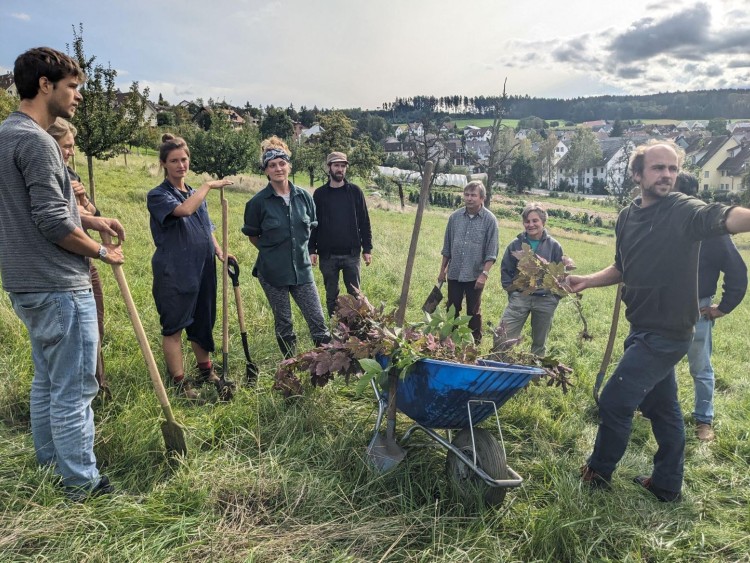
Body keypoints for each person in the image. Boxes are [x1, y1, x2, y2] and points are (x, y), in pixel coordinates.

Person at [566, 140, 750, 502]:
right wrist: (587, 279)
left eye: (672, 168)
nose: (667, 175)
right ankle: (667, 484)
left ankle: (598, 472)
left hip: (668, 333)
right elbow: (622, 266)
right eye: (658, 168)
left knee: (615, 401)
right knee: (663, 409)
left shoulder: (682, 209)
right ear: (637, 174)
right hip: (642, 326)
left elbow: (723, 216)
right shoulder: (626, 216)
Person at [0, 47, 125, 500]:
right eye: (72, 87)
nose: (78, 96)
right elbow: (52, 222)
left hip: (24, 281)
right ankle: (82, 484)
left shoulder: (5, 135)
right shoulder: (38, 142)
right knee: (74, 388)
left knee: (48, 381)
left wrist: (90, 218)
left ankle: (51, 467)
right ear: (44, 85)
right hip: (58, 285)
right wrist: (101, 251)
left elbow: (36, 207)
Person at [147, 134, 232, 400]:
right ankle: (180, 382)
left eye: (184, 159)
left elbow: (206, 227)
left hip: (203, 267)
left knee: (203, 321)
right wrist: (207, 185)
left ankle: (206, 371)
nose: (181, 165)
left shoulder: (195, 193)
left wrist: (219, 250)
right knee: (174, 325)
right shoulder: (158, 195)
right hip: (175, 270)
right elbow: (184, 211)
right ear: (164, 163)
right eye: (174, 161)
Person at [672, 172, 747, 442]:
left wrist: (722, 308)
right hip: (663, 306)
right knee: (660, 362)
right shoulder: (666, 222)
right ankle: (658, 408)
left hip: (697, 308)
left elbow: (736, 271)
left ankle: (703, 420)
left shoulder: (709, 229)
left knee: (700, 367)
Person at [242, 136, 331, 358]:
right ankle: (289, 366)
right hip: (272, 272)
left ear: (289, 166)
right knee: (284, 323)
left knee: (318, 321)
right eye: (272, 165)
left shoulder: (304, 197)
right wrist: (274, 253)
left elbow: (310, 229)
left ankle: (325, 366)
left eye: (282, 163)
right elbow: (253, 236)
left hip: (302, 269)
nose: (278, 168)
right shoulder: (257, 203)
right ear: (266, 170)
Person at [47, 117, 110, 398]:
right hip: (60, 263)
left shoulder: (71, 174)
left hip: (84, 259)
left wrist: (83, 200)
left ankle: (99, 382)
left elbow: (94, 214)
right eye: (66, 146)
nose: (71, 152)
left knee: (96, 320)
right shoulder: (45, 174)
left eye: (72, 146)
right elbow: (55, 220)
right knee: (73, 332)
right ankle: (77, 390)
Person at [494, 203, 569, 357]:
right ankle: (499, 364)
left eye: (535, 221)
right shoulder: (516, 245)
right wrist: (513, 292)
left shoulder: (554, 246)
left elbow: (561, 275)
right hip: (520, 297)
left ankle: (535, 369)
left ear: (543, 222)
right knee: (502, 337)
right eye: (527, 221)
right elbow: (506, 270)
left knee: (539, 344)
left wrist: (554, 297)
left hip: (545, 300)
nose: (531, 224)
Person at [309, 151, 373, 317]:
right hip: (327, 255)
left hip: (351, 254)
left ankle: (357, 325)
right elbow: (313, 224)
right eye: (336, 165)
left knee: (355, 294)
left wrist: (367, 249)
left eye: (343, 166)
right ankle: (334, 324)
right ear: (329, 167)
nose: (340, 169)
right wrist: (312, 250)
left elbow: (364, 221)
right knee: (331, 295)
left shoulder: (355, 192)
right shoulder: (320, 194)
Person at [438, 180, 498, 344]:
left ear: (482, 198)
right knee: (452, 308)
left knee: (473, 311)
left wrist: (484, 274)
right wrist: (442, 270)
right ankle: (450, 342)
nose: (469, 198)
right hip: (455, 272)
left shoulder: (490, 220)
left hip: (475, 274)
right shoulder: (455, 218)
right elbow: (447, 247)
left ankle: (474, 344)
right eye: (467, 195)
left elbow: (492, 252)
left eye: (473, 195)